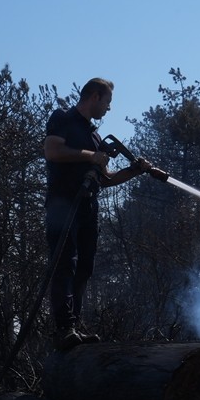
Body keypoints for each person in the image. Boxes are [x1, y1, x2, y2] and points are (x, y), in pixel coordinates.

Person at [44, 78, 151, 351]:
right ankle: (63, 328)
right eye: (107, 102)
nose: (108, 109)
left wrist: (134, 171)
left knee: (85, 267)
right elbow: (52, 151)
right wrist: (90, 157)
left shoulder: (94, 136)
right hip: (63, 205)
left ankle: (75, 327)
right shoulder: (62, 118)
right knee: (64, 264)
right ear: (94, 97)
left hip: (88, 208)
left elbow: (105, 178)